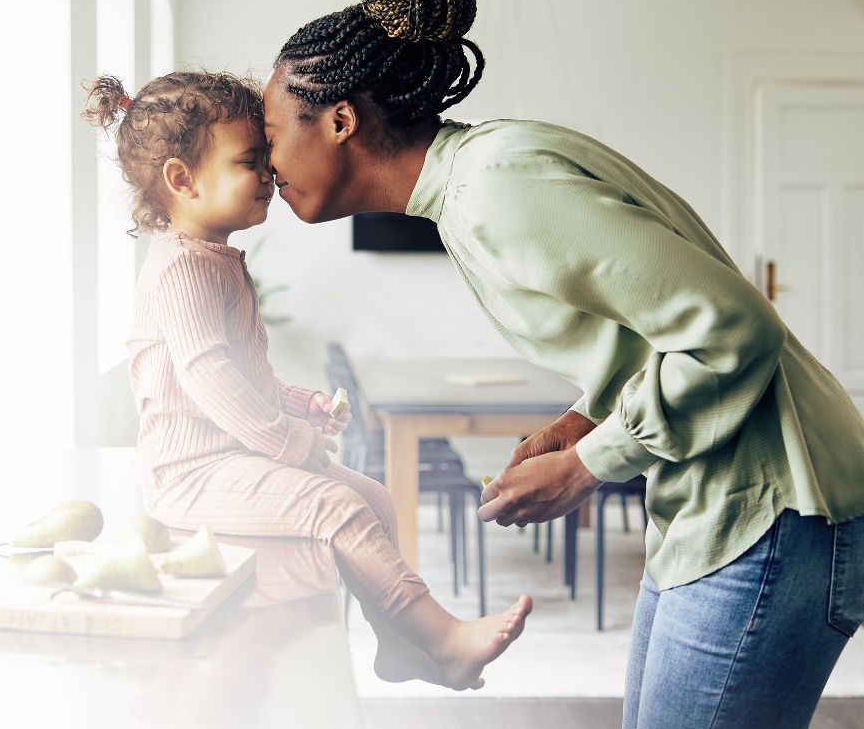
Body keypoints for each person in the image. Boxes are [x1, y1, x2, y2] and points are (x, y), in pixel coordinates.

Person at [261, 0, 864, 729]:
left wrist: (589, 465)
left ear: (338, 120)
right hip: (724, 509)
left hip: (777, 510)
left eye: (269, 134)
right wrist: (582, 420)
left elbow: (733, 329)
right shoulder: (475, 184)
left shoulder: (496, 188)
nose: (266, 163)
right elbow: (649, 332)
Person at [82, 70, 533, 691]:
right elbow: (211, 379)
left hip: (229, 458)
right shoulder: (182, 269)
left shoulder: (214, 261)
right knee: (338, 507)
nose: (269, 174)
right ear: (181, 181)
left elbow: (246, 376)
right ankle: (442, 637)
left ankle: (397, 645)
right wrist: (288, 442)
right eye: (249, 161)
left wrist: (299, 402)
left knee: (373, 498)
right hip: (189, 475)